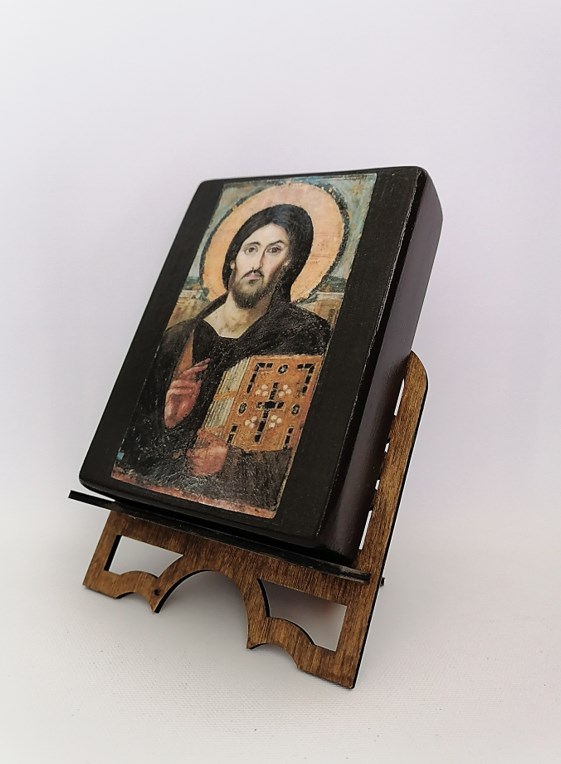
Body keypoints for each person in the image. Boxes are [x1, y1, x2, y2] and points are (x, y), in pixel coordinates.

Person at [116, 204, 330, 510]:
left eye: (274, 250)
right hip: (155, 504)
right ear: (233, 259)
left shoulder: (305, 335)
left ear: (289, 263)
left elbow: (308, 451)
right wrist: (167, 420)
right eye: (251, 249)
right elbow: (131, 448)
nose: (257, 263)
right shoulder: (177, 339)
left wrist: (230, 463)